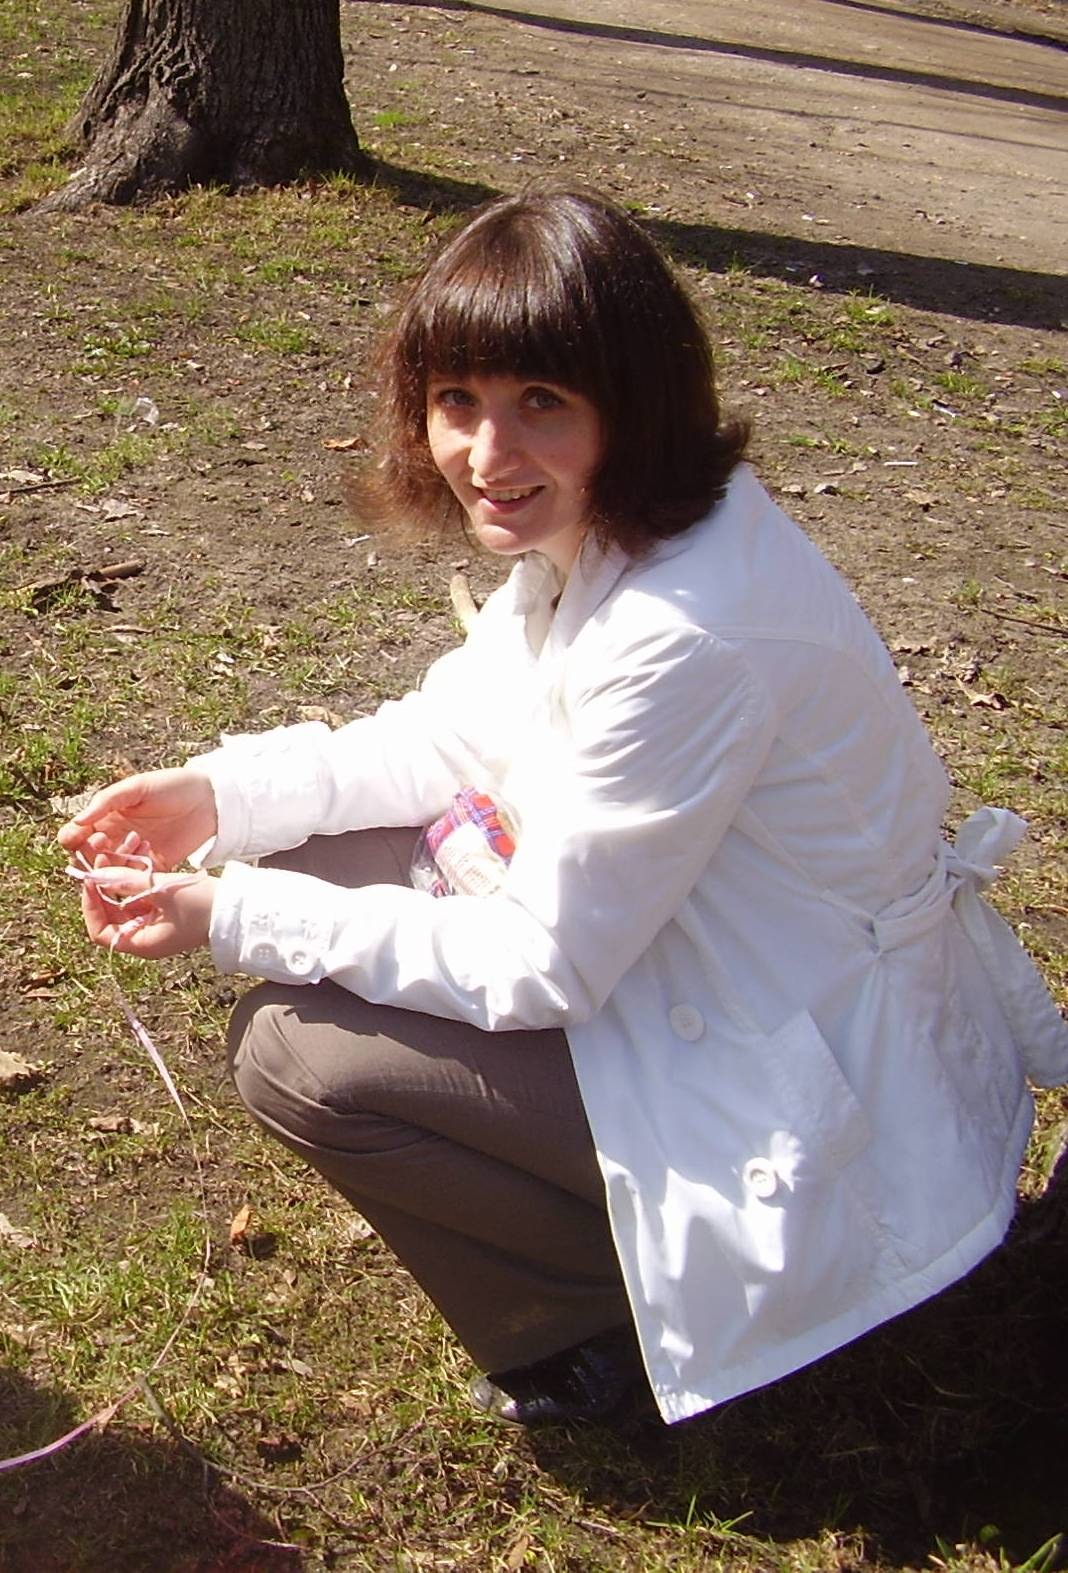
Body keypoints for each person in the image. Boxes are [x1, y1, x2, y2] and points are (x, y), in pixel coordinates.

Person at [59, 188, 1068, 1429]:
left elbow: (542, 963)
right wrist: (218, 798)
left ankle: (608, 1323)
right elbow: (449, 737)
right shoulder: (618, 532)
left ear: (630, 404)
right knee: (321, 861)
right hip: (703, 969)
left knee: (296, 1053)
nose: (488, 454)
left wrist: (234, 912)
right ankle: (610, 1275)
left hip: (809, 1090)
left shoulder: (687, 631)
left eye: (542, 401)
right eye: (458, 401)